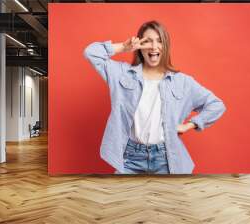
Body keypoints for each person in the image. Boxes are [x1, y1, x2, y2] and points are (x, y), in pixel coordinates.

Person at [84, 20, 226, 174]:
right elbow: (91, 53)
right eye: (148, 41)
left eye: (159, 41)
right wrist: (124, 47)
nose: (154, 46)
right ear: (140, 46)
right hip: (130, 158)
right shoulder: (122, 74)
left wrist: (190, 125)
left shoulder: (182, 81)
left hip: (166, 159)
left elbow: (216, 104)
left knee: (169, 198)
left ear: (166, 46)